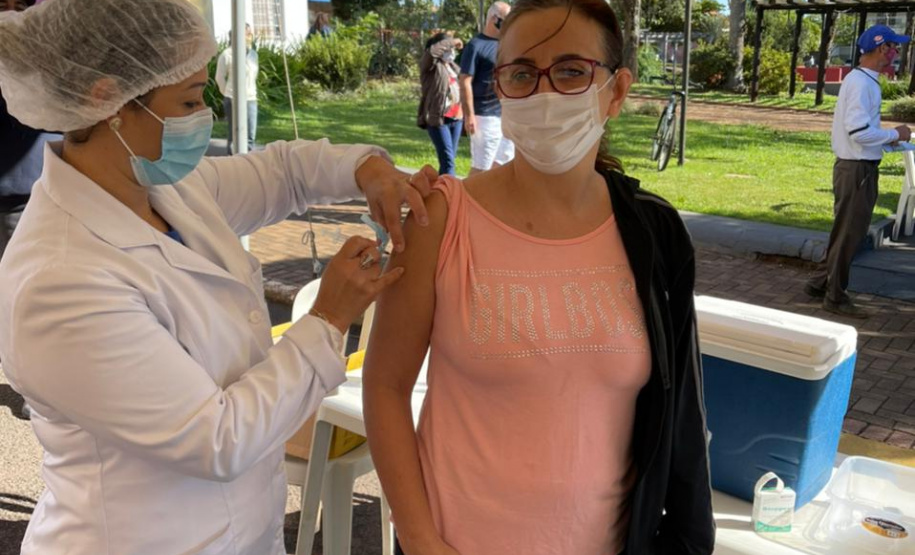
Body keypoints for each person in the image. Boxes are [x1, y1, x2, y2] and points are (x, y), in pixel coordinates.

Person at [0, 1, 436, 554]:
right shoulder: (58, 280)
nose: (202, 116)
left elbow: (284, 173)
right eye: (186, 102)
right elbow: (218, 439)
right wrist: (329, 318)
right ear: (106, 100)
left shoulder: (162, 189)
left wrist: (368, 171)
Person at [364, 1, 715, 554]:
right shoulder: (441, 219)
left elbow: (681, 417)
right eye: (523, 73)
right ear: (499, 88)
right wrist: (419, 537)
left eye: (573, 71)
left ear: (617, 91)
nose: (545, 94)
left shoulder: (653, 234)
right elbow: (385, 386)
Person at [805, 24, 912, 318]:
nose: (896, 53)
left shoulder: (861, 80)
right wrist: (895, 135)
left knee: (844, 231)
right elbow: (859, 132)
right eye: (895, 47)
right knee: (851, 234)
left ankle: (819, 284)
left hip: (855, 167)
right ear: (882, 49)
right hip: (857, 170)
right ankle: (835, 297)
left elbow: (861, 132)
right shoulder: (863, 84)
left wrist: (886, 141)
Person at [1, 0, 60, 262]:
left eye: (20, 5)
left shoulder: (49, 53)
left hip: (31, 192)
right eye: (2, 5)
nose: (11, 13)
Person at [460, 1, 514, 174]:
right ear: (494, 19)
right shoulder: (475, 45)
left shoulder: (506, 45)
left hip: (505, 115)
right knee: (481, 168)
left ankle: (492, 200)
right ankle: (465, 199)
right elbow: (465, 81)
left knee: (504, 163)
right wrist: (469, 116)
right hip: (484, 117)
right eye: (506, 21)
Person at [418, 32, 464, 176]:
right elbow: (434, 51)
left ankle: (440, 192)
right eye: (448, 48)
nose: (452, 51)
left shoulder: (453, 67)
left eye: (453, 49)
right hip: (439, 119)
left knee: (448, 160)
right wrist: (453, 40)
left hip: (456, 119)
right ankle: (451, 195)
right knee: (448, 161)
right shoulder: (430, 65)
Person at [215, 23, 258, 153]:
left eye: (250, 34)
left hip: (250, 98)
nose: (249, 36)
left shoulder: (253, 54)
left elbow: (253, 75)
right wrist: (228, 93)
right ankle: (232, 163)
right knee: (234, 134)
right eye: (247, 34)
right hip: (232, 98)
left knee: (250, 135)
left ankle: (248, 164)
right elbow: (219, 77)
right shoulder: (226, 54)